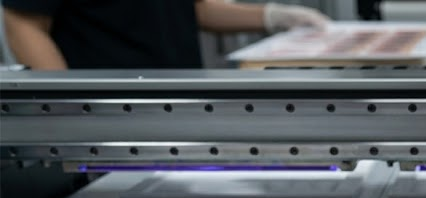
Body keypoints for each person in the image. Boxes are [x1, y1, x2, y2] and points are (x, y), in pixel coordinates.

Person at [2, 0, 330, 70]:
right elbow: (24, 24)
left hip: (174, 103)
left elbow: (193, 9)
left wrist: (271, 17)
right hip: (108, 110)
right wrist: (67, 111)